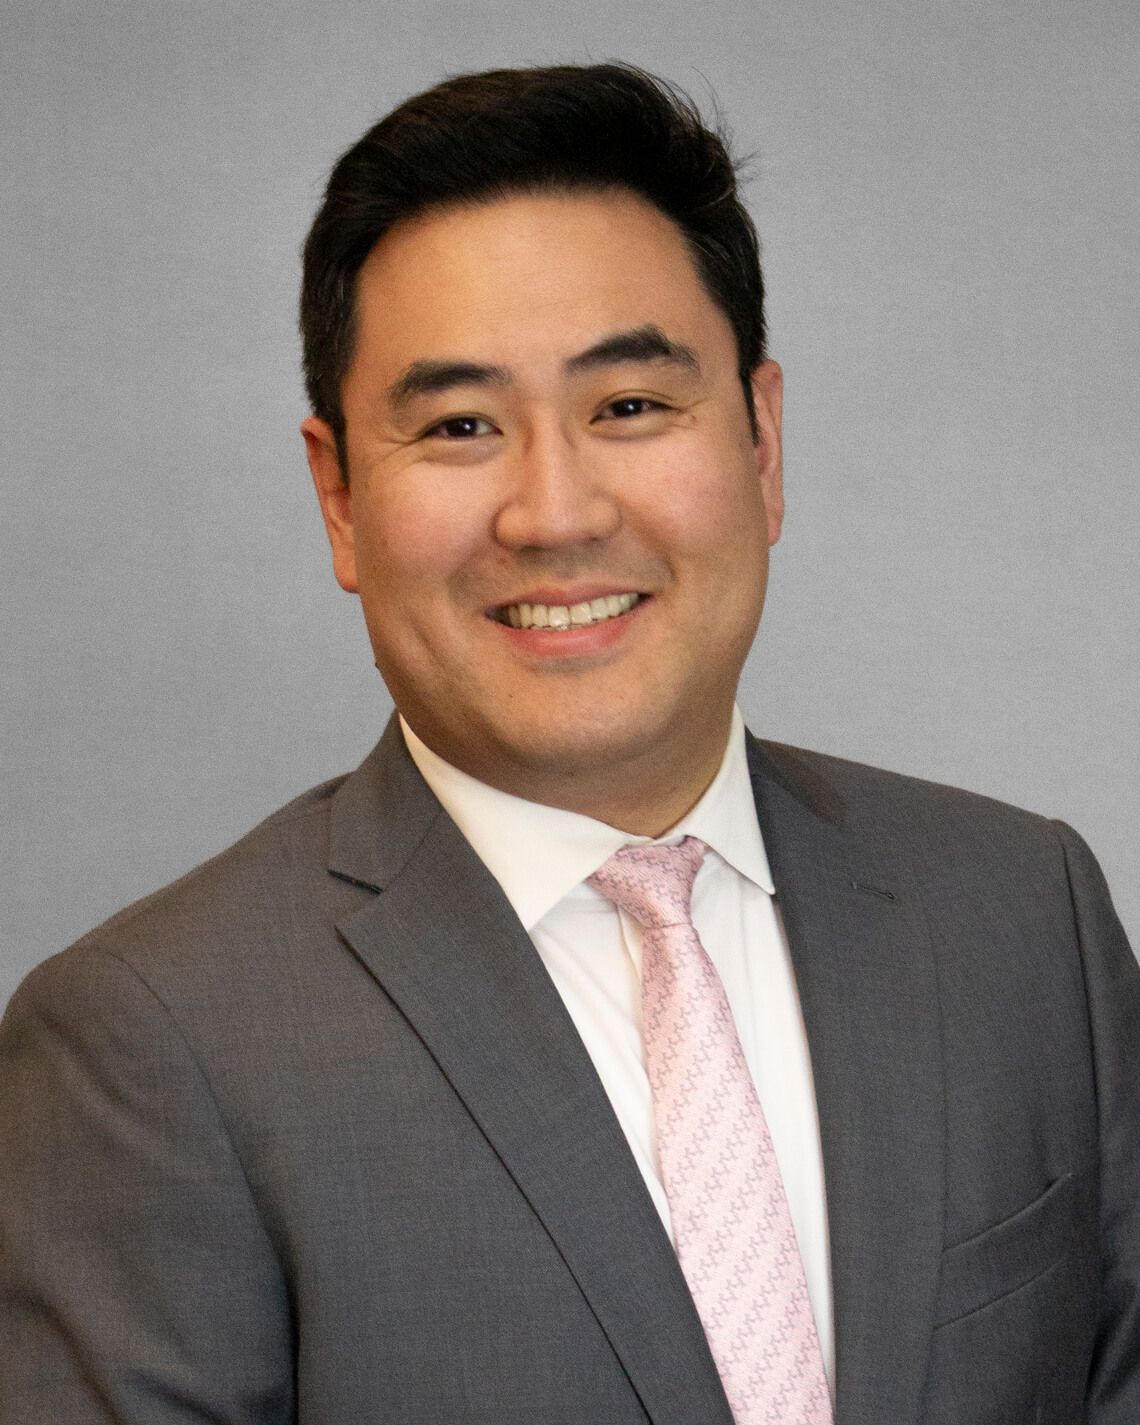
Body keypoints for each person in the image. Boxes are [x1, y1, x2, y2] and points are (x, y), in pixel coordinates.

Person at [1, 62, 1136, 1425]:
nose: (554, 512)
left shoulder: (1023, 916)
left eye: (630, 407)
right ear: (340, 497)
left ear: (763, 442)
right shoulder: (149, 1045)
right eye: (461, 426)